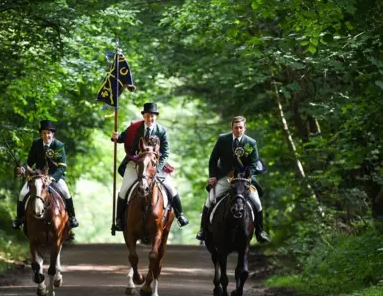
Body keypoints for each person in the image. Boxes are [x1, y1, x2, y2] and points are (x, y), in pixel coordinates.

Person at [111, 103, 189, 231]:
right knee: (124, 190)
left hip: (155, 166)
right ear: (143, 116)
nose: (150, 119)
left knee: (171, 188)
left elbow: (166, 153)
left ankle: (180, 215)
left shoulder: (162, 131)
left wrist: (157, 169)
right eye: (147, 116)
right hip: (135, 163)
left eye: (152, 116)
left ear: (155, 117)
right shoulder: (134, 127)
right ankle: (119, 220)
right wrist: (116, 137)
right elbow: (121, 138)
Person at [196, 115, 270, 243]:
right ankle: (203, 229)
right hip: (226, 177)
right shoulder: (222, 139)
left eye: (241, 128)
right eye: (236, 128)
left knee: (257, 203)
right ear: (232, 128)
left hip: (244, 180)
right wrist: (212, 176)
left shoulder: (251, 143)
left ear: (244, 128)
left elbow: (253, 163)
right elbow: (213, 160)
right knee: (210, 200)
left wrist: (247, 175)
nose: (238, 130)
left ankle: (259, 232)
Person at [11, 120, 79, 229]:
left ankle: (72, 217)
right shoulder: (36, 143)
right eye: (44, 133)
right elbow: (29, 162)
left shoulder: (58, 145)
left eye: (48, 133)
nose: (46, 135)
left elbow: (62, 167)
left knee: (66, 192)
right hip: (37, 175)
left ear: (53, 134)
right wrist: (23, 169)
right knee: (22, 193)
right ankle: (19, 219)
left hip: (54, 176)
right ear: (41, 134)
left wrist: (51, 178)